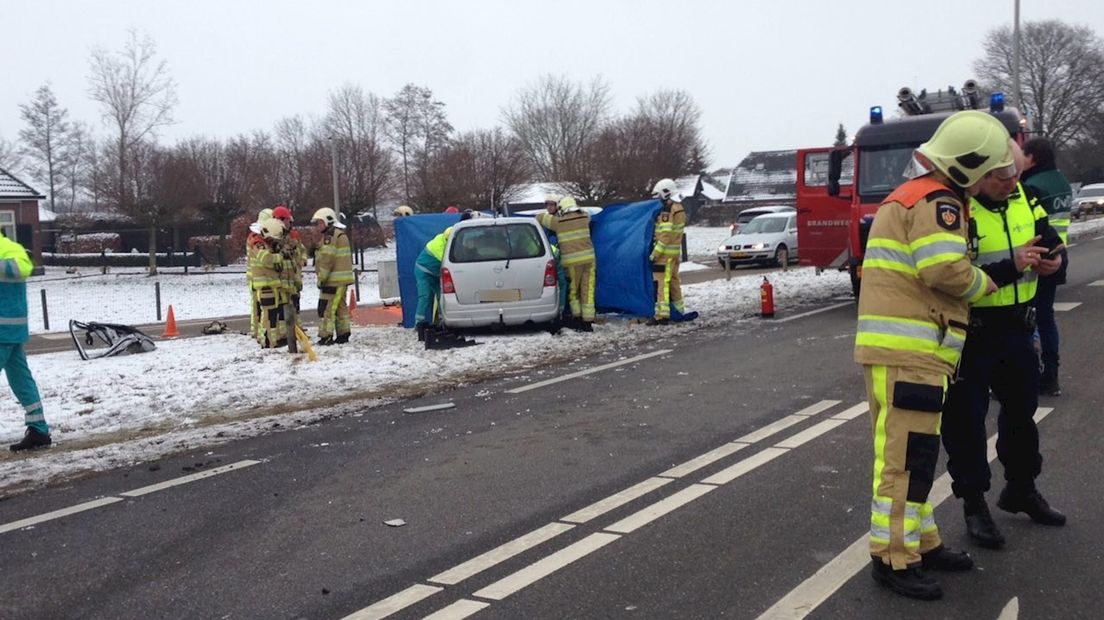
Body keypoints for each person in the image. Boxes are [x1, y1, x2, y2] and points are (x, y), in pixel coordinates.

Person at [855, 110, 1014, 600]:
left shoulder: (919, 196)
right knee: (905, 461)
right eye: (993, 171)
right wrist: (989, 280)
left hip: (911, 354)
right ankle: (893, 559)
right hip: (913, 353)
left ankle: (919, 542)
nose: (999, 180)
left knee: (916, 457)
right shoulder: (938, 201)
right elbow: (946, 271)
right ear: (969, 166)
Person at [941, 140, 1066, 551]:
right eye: (1000, 176)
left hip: (1016, 327)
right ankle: (974, 505)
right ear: (978, 177)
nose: (1011, 182)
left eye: (1014, 173)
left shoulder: (1027, 199)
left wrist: (1054, 261)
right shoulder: (957, 210)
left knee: (1021, 414)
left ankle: (1021, 488)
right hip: (973, 330)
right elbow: (954, 274)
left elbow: (1050, 239)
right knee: (967, 421)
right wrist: (1013, 266)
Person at [1021, 137, 1072, 396]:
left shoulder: (1032, 186)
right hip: (1059, 254)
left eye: (1023, 154)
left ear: (1033, 158)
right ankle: (1051, 375)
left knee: (1028, 320)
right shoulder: (1061, 182)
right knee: (1046, 317)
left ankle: (1028, 375)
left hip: (1037, 257)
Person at [3, 235, 51, 451]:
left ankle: (39, 430)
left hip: (4, 330)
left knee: (21, 379)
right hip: (10, 330)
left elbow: (23, 267)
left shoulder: (9, 248)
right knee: (21, 380)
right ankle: (38, 429)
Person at [413, 210, 475, 340]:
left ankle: (442, 322)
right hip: (423, 272)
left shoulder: (446, 238)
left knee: (441, 297)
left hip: (434, 273)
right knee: (425, 297)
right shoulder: (439, 247)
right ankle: (418, 324)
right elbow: (448, 263)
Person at [537, 196, 595, 330]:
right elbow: (588, 214)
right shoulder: (585, 218)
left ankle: (577, 318)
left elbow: (540, 217)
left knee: (573, 291)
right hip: (590, 260)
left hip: (571, 262)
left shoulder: (558, 222)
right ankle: (588, 321)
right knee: (588, 289)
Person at [311, 207, 354, 345]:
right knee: (341, 307)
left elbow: (327, 260)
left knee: (327, 308)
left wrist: (321, 278)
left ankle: (326, 336)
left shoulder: (330, 237)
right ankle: (343, 334)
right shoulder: (339, 235)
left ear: (327, 222)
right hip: (341, 280)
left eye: (320, 222)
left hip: (333, 281)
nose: (318, 226)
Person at [649, 179, 688, 325]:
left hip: (664, 256)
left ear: (665, 193)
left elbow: (665, 236)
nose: (658, 199)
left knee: (661, 285)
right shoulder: (680, 208)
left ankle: (662, 315)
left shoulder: (667, 211)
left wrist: (654, 254)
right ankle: (678, 311)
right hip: (674, 254)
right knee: (674, 282)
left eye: (659, 195)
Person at [251, 218, 288, 348]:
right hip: (265, 286)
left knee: (273, 316)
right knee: (268, 317)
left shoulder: (265, 245)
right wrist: (279, 257)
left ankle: (271, 341)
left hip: (272, 286)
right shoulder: (258, 244)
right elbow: (266, 259)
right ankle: (267, 342)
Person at [273, 205, 306, 323]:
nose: (289, 222)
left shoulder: (293, 235)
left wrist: (303, 259)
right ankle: (286, 333)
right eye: (287, 220)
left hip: (294, 276)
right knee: (282, 307)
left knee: (295, 303)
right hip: (282, 278)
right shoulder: (275, 236)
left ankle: (297, 328)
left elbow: (302, 249)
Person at [246, 208, 273, 340]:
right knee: (260, 308)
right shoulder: (256, 239)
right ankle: (258, 333)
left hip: (256, 277)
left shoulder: (253, 237)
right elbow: (265, 259)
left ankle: (256, 331)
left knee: (258, 307)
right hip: (257, 278)